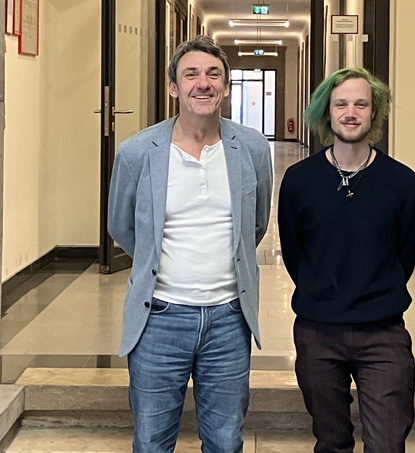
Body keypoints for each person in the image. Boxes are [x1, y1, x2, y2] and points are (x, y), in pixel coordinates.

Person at [108, 35, 272, 452]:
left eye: (214, 74)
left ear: (226, 85)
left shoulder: (251, 147)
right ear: (173, 86)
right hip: (159, 319)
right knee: (152, 441)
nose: (204, 83)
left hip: (228, 320)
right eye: (192, 74)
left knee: (224, 440)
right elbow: (122, 226)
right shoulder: (137, 152)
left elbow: (254, 225)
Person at [278, 67, 415, 453]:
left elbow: (404, 254)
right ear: (327, 112)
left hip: (383, 333)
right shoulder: (299, 179)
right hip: (317, 332)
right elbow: (295, 253)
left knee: (388, 443)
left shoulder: (402, 181)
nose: (351, 112)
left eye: (361, 103)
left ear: (375, 113)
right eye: (341, 103)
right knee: (331, 441)